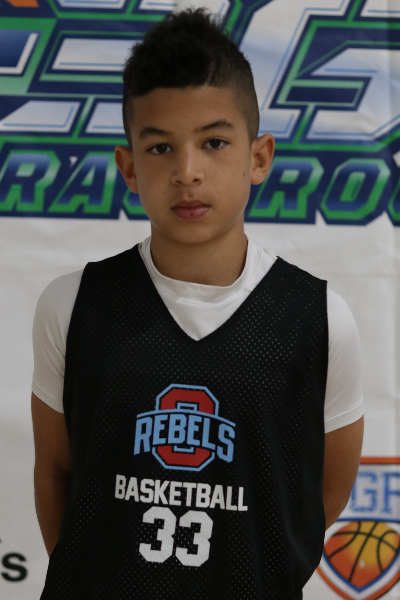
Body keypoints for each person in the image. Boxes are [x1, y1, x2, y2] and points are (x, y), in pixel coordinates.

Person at [31, 8, 364, 599]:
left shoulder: (318, 319)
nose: (187, 172)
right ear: (128, 167)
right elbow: (56, 474)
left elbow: (320, 496)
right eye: (161, 148)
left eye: (213, 142)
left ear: (258, 157)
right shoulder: (74, 303)